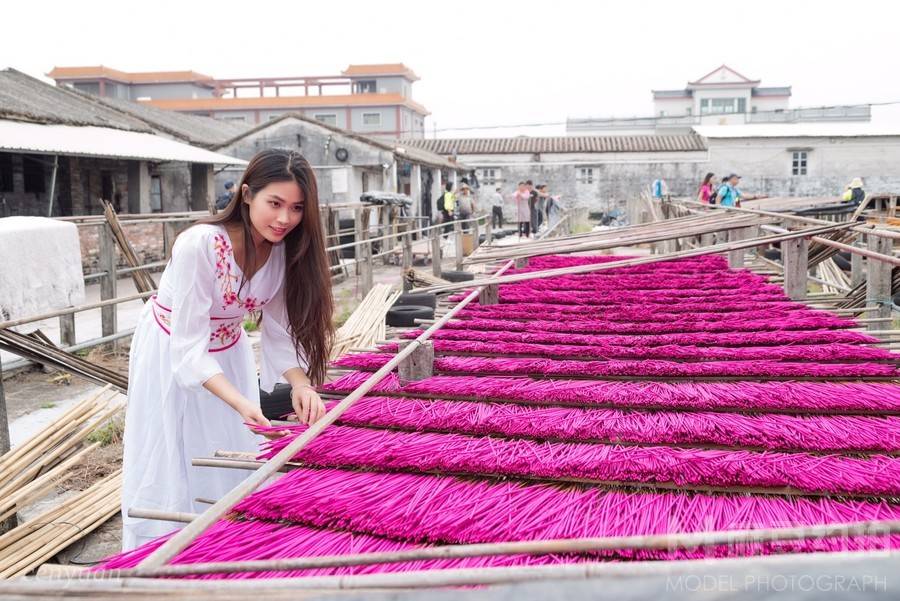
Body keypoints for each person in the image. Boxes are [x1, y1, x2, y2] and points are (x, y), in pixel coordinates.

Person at [121, 149, 334, 551]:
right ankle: (160, 547)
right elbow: (187, 349)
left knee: (230, 447)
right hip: (171, 348)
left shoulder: (285, 252)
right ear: (247, 194)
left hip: (228, 350)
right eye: (275, 203)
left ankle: (223, 541)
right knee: (170, 450)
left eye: (296, 208)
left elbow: (279, 331)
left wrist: (301, 386)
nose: (284, 219)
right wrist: (240, 401)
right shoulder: (200, 245)